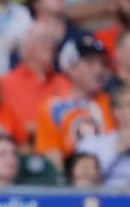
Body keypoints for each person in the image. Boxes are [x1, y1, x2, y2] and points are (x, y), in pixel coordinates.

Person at [34, 35, 115, 172]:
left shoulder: (114, 102)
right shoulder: (54, 108)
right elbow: (52, 156)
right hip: (73, 180)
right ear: (71, 68)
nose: (98, 70)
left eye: (102, 63)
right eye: (90, 63)